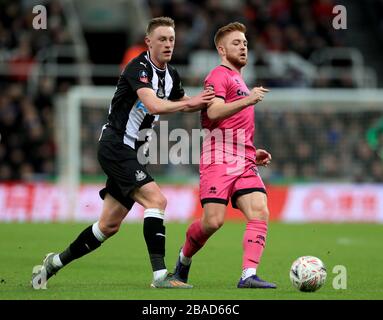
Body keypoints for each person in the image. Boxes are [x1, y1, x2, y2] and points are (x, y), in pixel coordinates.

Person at [31, 16, 215, 289]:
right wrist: (193, 102)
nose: (168, 44)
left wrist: (207, 102)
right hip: (116, 145)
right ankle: (160, 276)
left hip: (134, 153)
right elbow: (154, 105)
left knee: (107, 226)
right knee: (157, 201)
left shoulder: (171, 75)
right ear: (148, 41)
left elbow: (182, 104)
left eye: (172, 40)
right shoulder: (138, 68)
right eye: (162, 39)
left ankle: (53, 263)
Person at [173, 22, 277, 289]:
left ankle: (248, 275)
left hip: (243, 160)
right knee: (213, 221)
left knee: (260, 210)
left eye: (244, 43)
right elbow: (214, 112)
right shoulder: (218, 75)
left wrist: (253, 153)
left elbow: (236, 125)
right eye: (236, 43)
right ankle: (183, 260)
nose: (243, 47)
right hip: (218, 158)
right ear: (221, 49)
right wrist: (249, 100)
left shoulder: (240, 80)